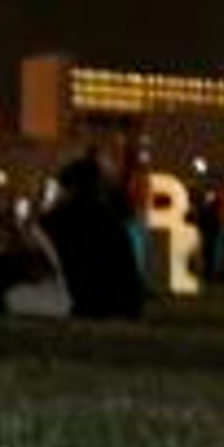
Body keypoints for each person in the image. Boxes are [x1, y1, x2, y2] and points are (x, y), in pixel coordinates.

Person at [38, 136, 147, 321]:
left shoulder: (52, 223)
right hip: (109, 305)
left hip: (71, 301)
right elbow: (130, 282)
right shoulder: (112, 225)